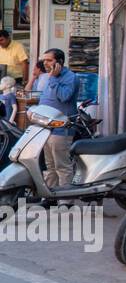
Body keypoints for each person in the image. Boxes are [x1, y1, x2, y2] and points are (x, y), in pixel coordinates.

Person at [38, 49, 78, 188]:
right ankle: (51, 198)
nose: (45, 63)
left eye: (49, 60)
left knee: (62, 166)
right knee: (50, 166)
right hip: (46, 127)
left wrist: (54, 79)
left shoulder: (70, 77)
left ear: (59, 62)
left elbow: (64, 96)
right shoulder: (48, 76)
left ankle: (65, 200)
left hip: (61, 129)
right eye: (44, 60)